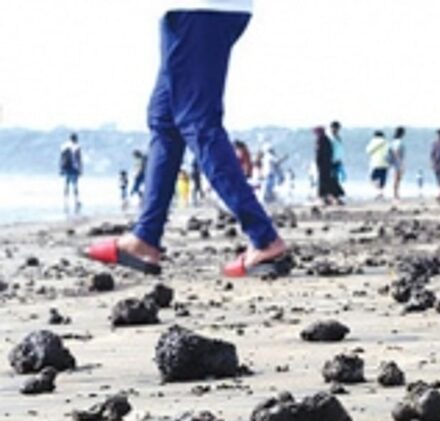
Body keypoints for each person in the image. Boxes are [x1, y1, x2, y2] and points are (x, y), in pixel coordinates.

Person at [85, 2, 289, 278]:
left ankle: (264, 239)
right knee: (164, 120)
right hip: (200, 11)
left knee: (199, 123)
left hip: (199, 9)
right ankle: (145, 238)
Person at [315, 126, 345, 205]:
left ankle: (325, 198)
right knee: (330, 181)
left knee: (323, 182)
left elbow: (319, 154)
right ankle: (331, 197)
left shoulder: (320, 140)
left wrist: (318, 164)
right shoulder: (328, 140)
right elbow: (331, 152)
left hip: (323, 165)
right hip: (329, 164)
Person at [59, 133, 83, 210]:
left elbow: (61, 158)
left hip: (66, 169)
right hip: (74, 169)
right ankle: (76, 201)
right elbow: (79, 159)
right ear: (75, 139)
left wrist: (61, 169)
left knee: (66, 185)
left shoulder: (64, 146)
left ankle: (65, 202)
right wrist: (80, 169)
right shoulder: (77, 147)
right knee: (75, 185)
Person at [366, 131, 390, 199]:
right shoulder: (386, 142)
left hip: (376, 163)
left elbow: (368, 151)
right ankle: (381, 193)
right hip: (385, 163)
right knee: (382, 179)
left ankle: (379, 192)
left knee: (372, 178)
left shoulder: (373, 142)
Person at [390, 127, 406, 200]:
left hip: (394, 162)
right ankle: (395, 194)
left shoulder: (393, 141)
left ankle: (396, 193)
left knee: (396, 179)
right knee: (397, 179)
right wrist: (400, 162)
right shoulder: (399, 142)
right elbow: (396, 152)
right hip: (397, 163)